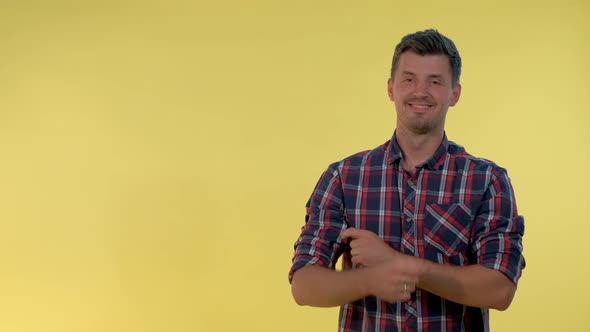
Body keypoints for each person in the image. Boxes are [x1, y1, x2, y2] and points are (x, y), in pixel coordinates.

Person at [288, 29, 525, 332]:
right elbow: (304, 285)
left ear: (455, 93)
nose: (420, 91)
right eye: (409, 79)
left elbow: (500, 289)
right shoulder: (344, 177)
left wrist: (402, 265)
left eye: (435, 82)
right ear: (391, 88)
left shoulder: (487, 181)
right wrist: (371, 279)